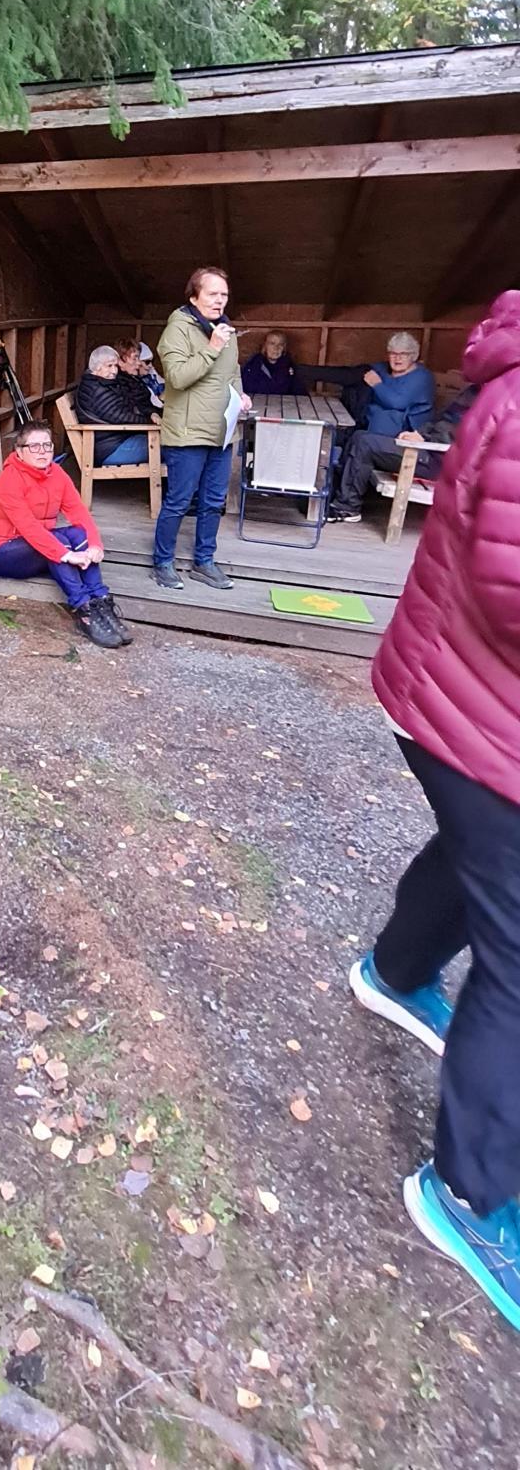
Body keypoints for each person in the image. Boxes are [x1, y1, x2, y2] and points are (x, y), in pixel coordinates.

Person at [348, 290, 520, 1331]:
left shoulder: (477, 389)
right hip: (473, 705)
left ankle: (397, 971)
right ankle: (470, 1193)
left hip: (462, 702)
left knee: (480, 857)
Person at [0, 421, 130, 647]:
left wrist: (95, 545)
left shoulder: (57, 473)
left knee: (78, 534)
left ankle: (100, 601)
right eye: (34, 446)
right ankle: (84, 611)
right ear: (19, 451)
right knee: (57, 541)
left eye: (47, 445)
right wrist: (66, 555)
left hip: (39, 546)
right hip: (2, 553)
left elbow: (79, 512)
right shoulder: (9, 480)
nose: (42, 451)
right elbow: (28, 527)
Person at [152, 266, 249, 592]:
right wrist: (212, 347)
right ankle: (163, 563)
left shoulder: (225, 329)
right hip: (188, 432)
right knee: (179, 500)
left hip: (222, 430)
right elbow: (177, 378)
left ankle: (204, 562)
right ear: (194, 297)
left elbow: (233, 372)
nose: (219, 300)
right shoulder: (177, 329)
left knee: (213, 502)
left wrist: (241, 394)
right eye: (212, 294)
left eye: (224, 294)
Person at [327, 383, 478, 524]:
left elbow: (462, 436)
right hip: (427, 447)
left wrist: (425, 438)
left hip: (438, 460)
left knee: (365, 444)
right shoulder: (473, 391)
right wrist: (418, 433)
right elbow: (438, 419)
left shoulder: (485, 402)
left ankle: (347, 508)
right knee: (360, 436)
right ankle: (337, 495)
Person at [74, 345, 152, 465]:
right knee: (171, 447)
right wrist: (149, 422)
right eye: (109, 366)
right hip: (111, 448)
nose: (114, 371)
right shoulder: (97, 389)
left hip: (114, 441)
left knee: (169, 443)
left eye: (115, 366)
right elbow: (121, 417)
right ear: (97, 367)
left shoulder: (98, 383)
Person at [115, 340, 165, 418]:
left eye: (138, 358)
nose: (138, 363)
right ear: (121, 362)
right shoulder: (119, 383)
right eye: (134, 359)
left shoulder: (135, 379)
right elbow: (136, 410)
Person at [241, 331, 297, 398]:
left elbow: (299, 393)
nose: (276, 348)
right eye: (272, 343)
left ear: (284, 348)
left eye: (281, 344)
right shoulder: (253, 365)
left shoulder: (289, 367)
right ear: (265, 346)